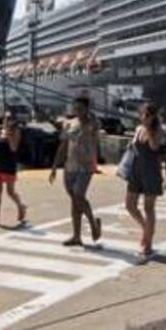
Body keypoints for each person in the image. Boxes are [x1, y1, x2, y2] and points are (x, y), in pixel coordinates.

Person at [49, 96, 102, 246]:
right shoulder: (70, 124)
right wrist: (54, 166)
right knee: (75, 200)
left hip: (86, 167)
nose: (77, 110)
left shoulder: (93, 123)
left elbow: (97, 126)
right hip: (70, 166)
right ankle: (77, 236)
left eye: (80, 108)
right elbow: (63, 145)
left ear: (87, 108)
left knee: (79, 195)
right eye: (75, 108)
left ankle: (93, 223)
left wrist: (91, 117)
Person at [125, 101, 164, 259]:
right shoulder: (138, 129)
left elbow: (155, 147)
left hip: (151, 172)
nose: (143, 117)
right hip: (136, 171)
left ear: (153, 117)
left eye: (147, 115)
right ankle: (145, 228)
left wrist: (149, 129)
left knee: (149, 208)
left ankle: (148, 243)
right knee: (130, 205)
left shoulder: (157, 130)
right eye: (142, 114)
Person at [0, 112, 28, 227]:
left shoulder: (16, 132)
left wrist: (10, 136)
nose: (8, 120)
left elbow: (14, 148)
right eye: (6, 118)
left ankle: (21, 206)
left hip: (9, 165)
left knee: (10, 192)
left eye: (10, 118)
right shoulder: (0, 132)